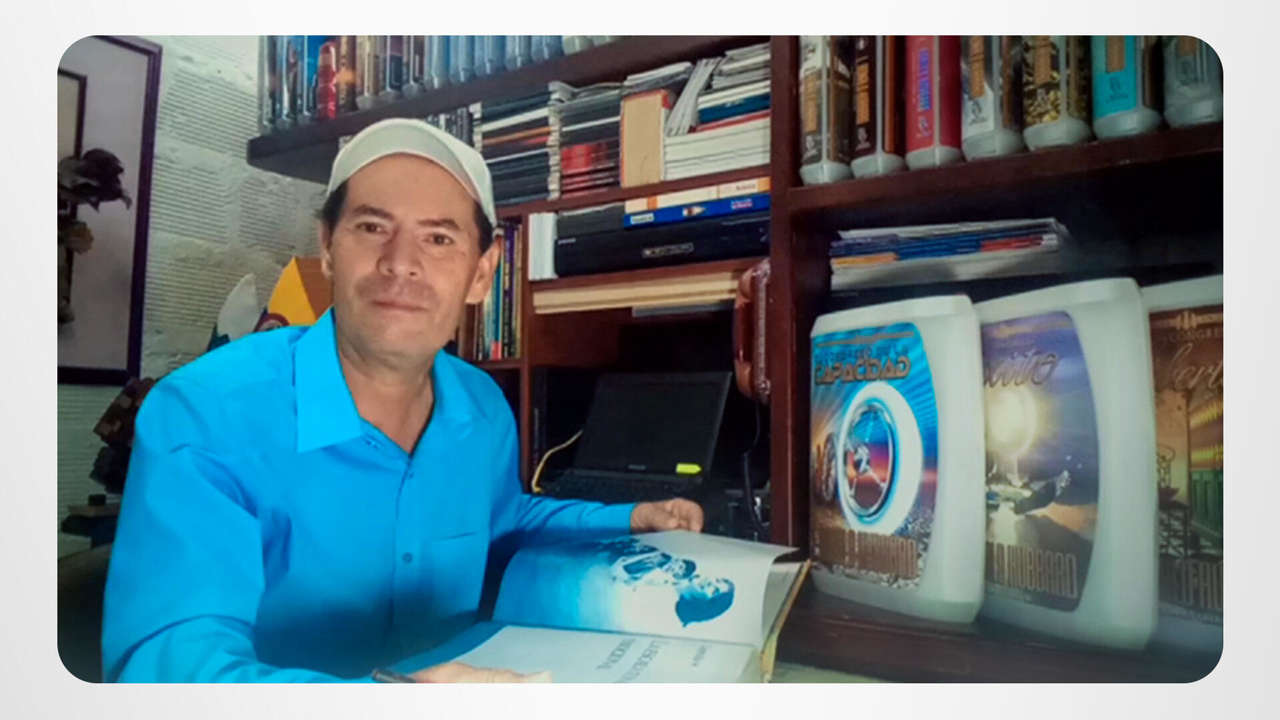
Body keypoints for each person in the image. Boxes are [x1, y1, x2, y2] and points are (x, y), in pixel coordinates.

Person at [101, 118, 704, 683]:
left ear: (481, 273)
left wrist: (627, 520)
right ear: (328, 247)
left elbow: (498, 523)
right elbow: (164, 669)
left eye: (438, 238)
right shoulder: (204, 413)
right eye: (372, 227)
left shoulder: (482, 406)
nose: (400, 264)